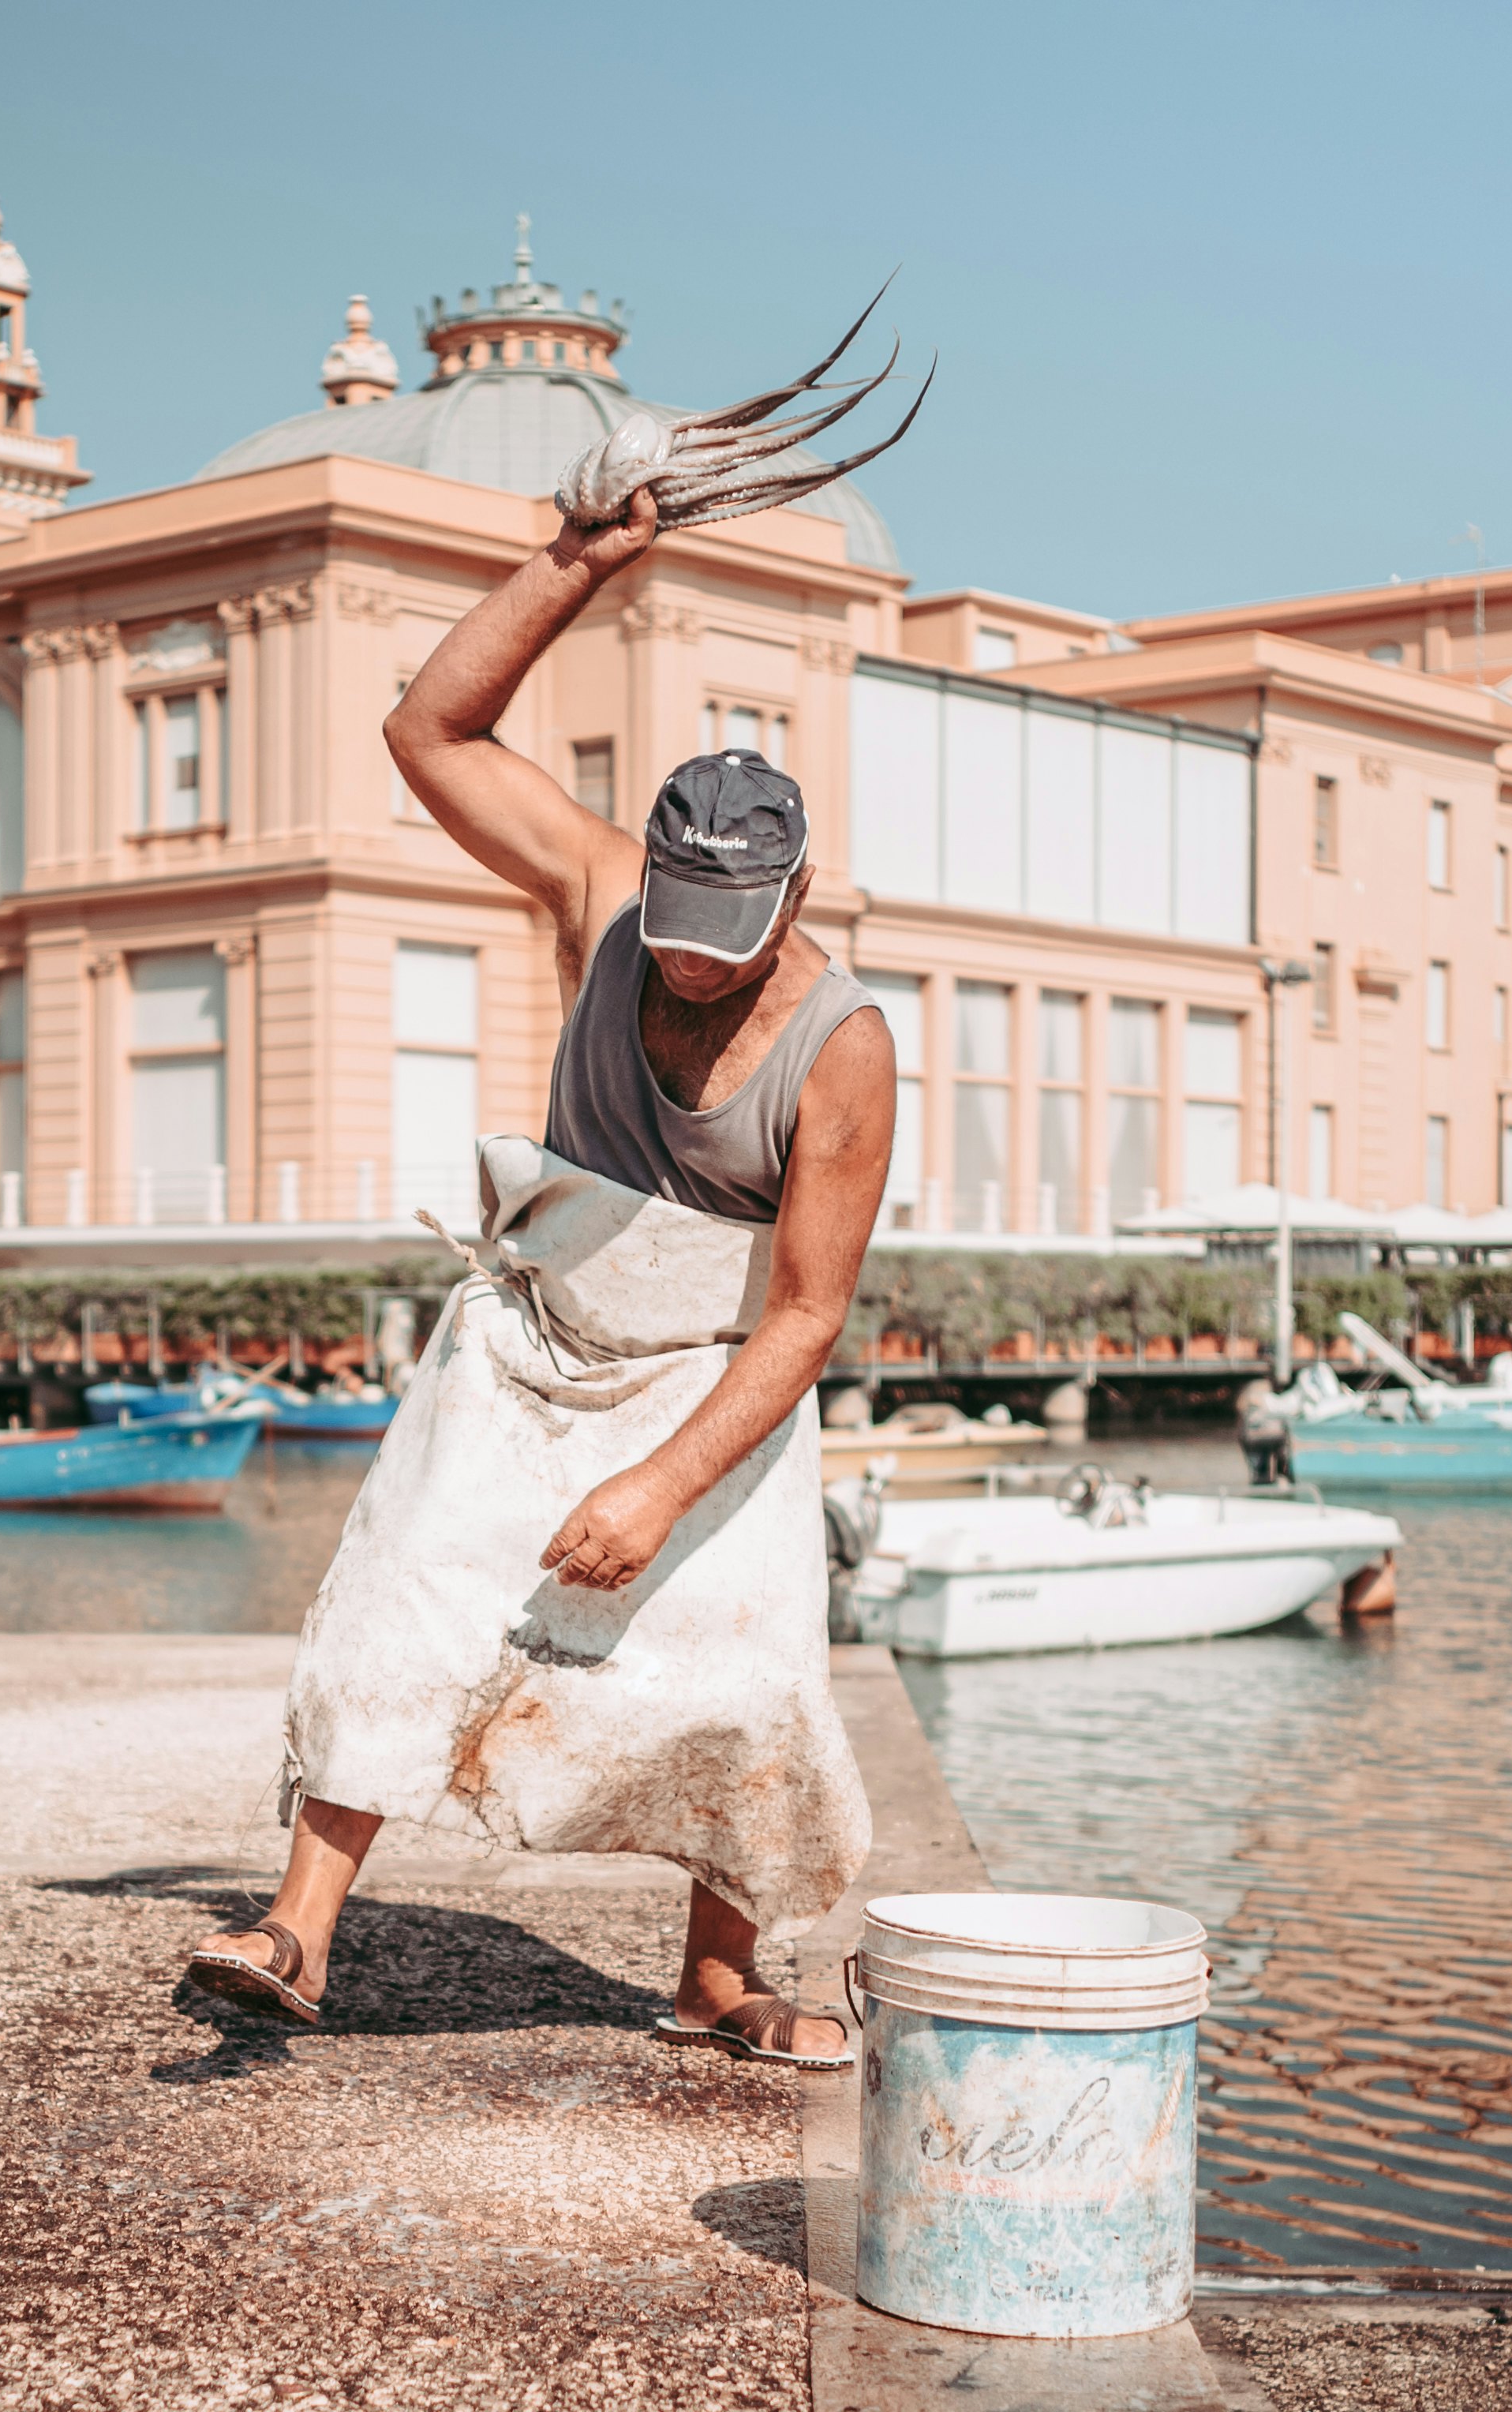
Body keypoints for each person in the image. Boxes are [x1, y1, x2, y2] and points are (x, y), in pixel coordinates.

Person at [187, 482, 898, 2067]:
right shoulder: (604, 902)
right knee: (409, 1585)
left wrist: (658, 1485)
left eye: (737, 926)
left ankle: (718, 1976)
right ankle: (299, 1922)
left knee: (752, 1658)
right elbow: (428, 732)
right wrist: (575, 564)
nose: (699, 954)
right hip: (532, 1336)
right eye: (683, 915)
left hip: (717, 1366)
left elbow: (807, 1315)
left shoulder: (846, 1048)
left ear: (795, 897)